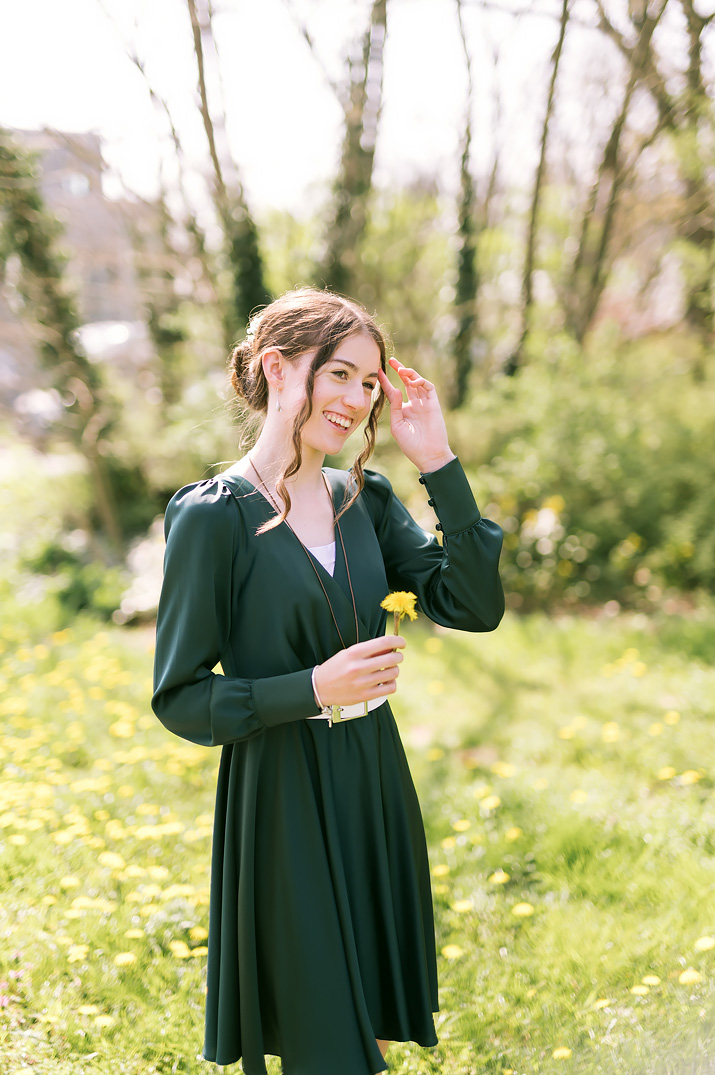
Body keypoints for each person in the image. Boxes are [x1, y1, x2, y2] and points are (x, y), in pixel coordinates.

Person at [151, 287, 505, 1075]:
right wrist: (311, 687)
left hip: (373, 777)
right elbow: (179, 696)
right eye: (338, 373)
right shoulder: (214, 516)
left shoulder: (365, 499)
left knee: (365, 1018)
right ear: (278, 369)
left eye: (369, 382)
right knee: (323, 1040)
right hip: (280, 793)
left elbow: (473, 606)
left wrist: (438, 463)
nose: (355, 399)